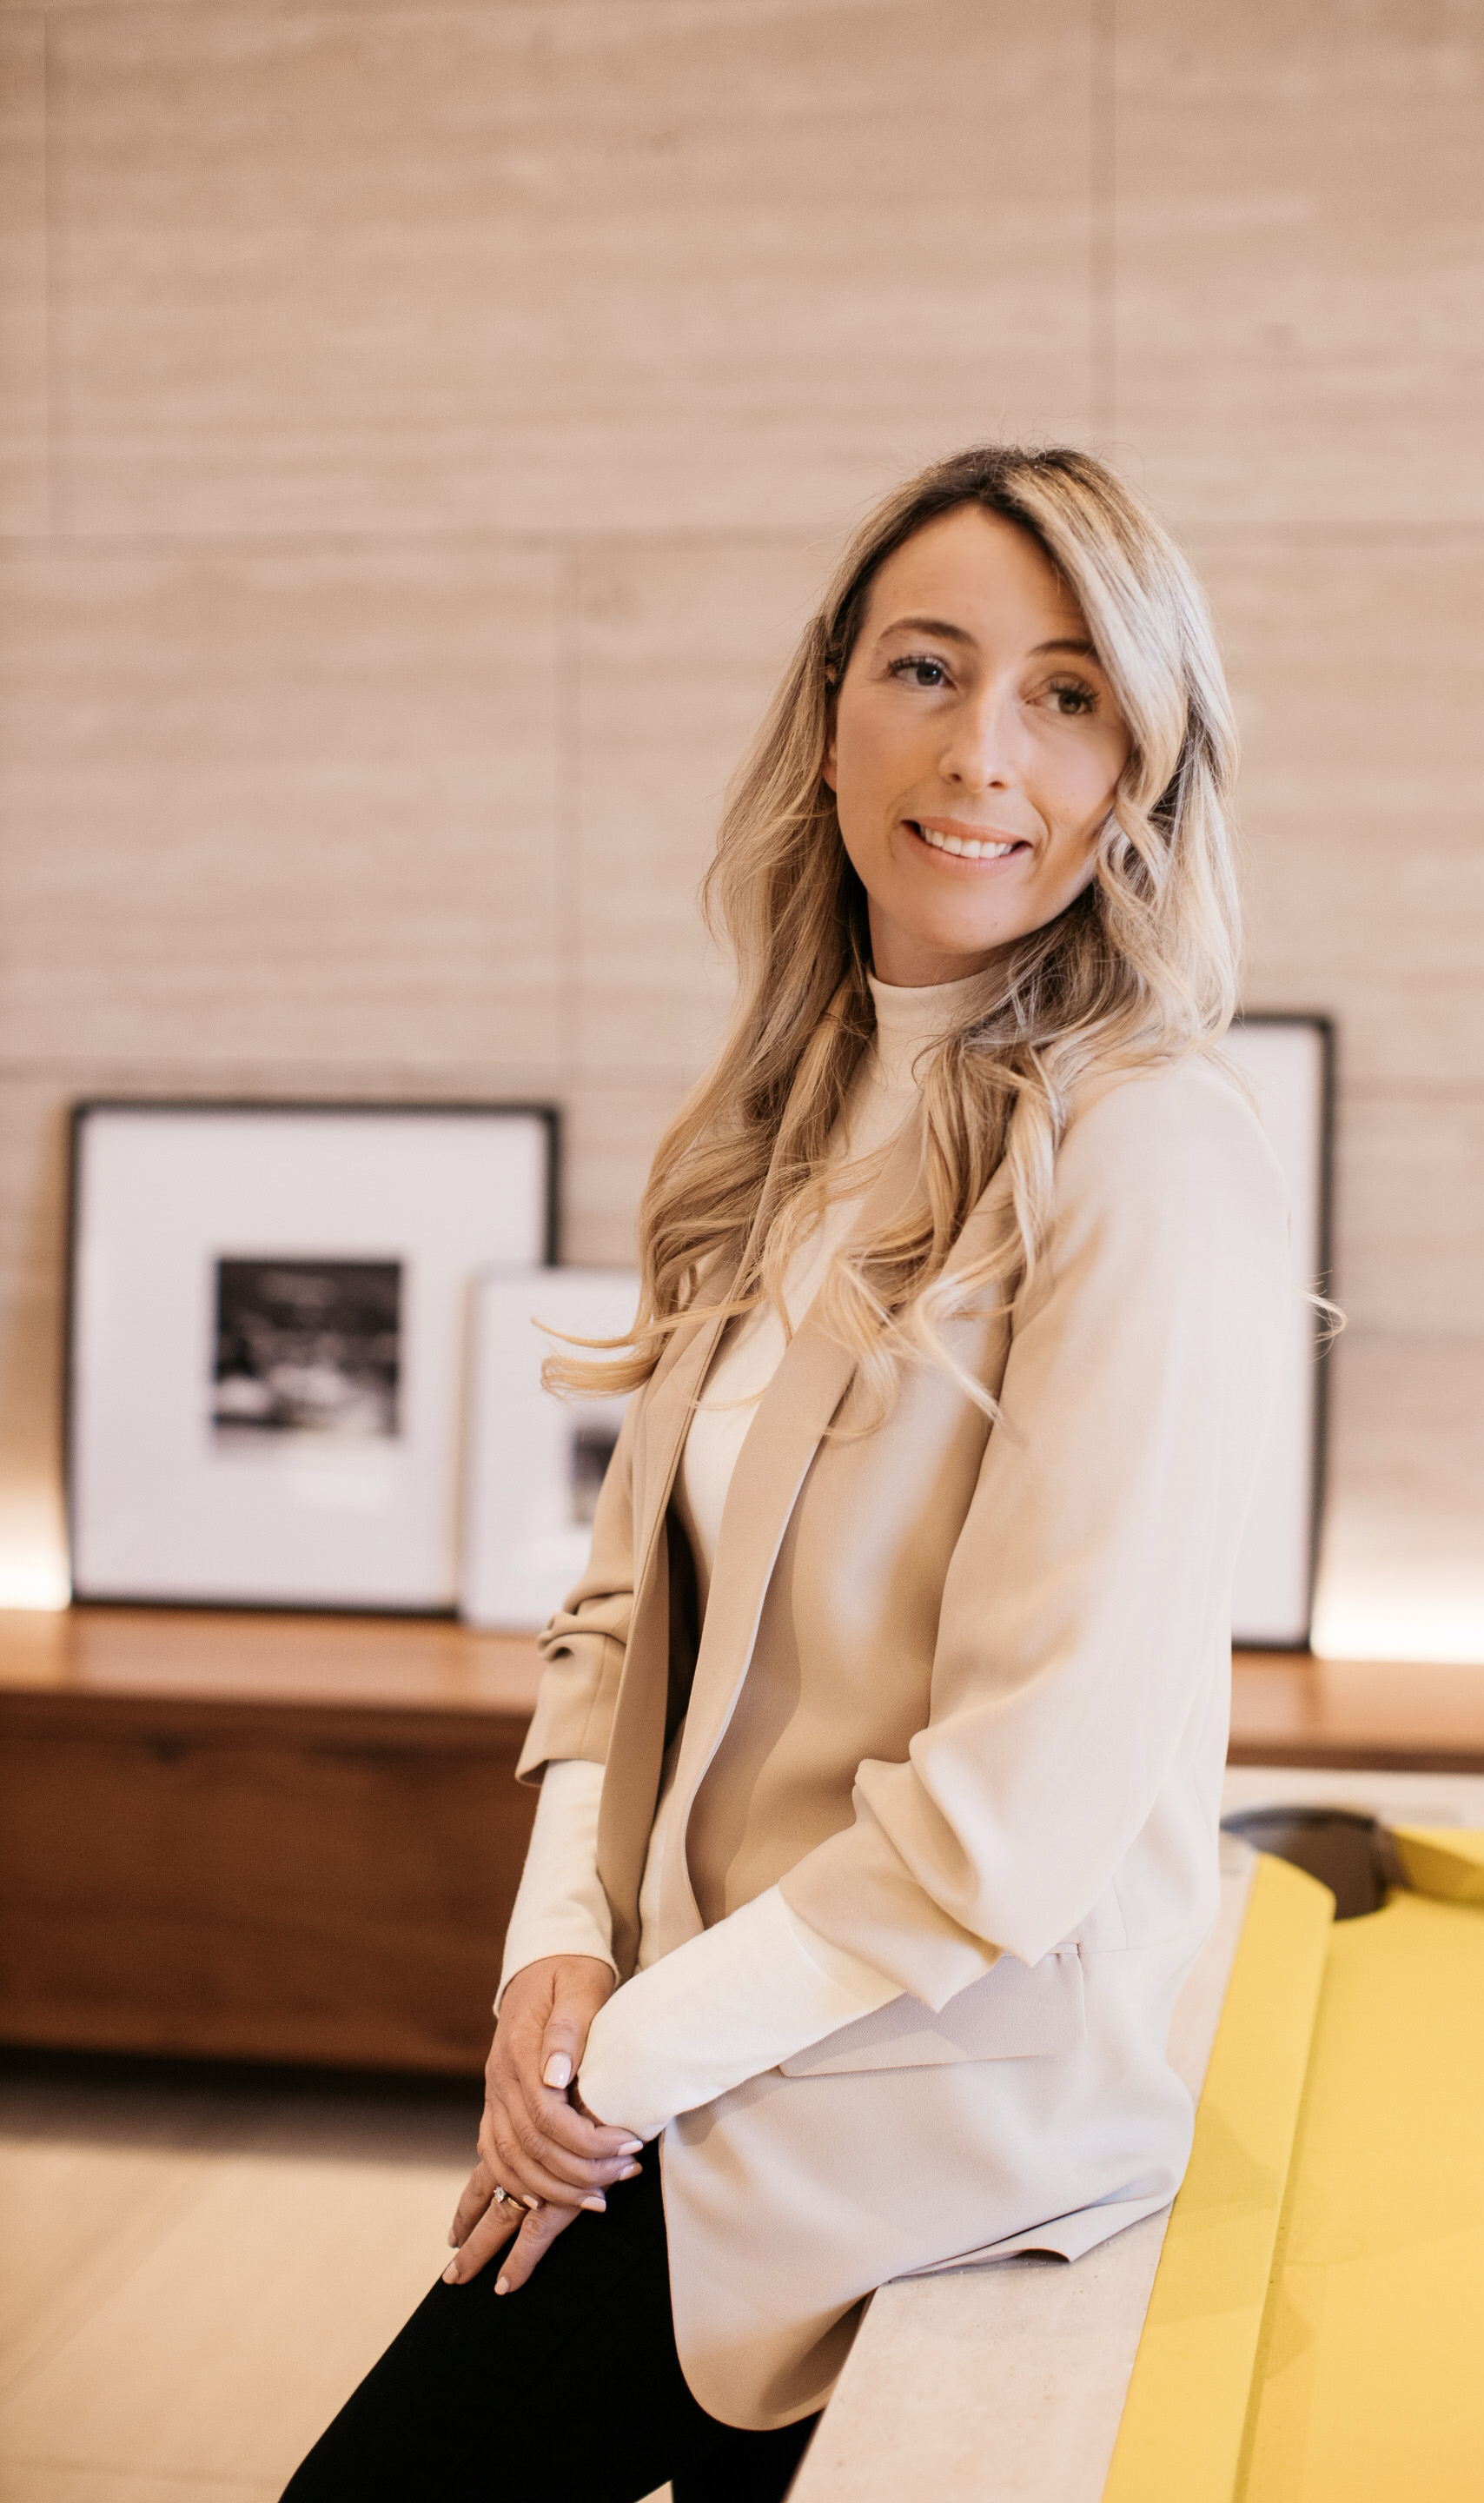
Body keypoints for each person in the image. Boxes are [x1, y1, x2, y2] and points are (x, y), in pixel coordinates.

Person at [282, 443, 1291, 2502]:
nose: (983, 751)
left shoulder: (1146, 1147)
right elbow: (623, 1606)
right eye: (926, 668)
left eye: (1067, 692)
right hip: (688, 2048)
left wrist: (600, 2075)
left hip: (923, 2108)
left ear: (1137, 775)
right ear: (830, 711)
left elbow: (1022, 1813)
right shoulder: (789, 1104)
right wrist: (549, 1951)